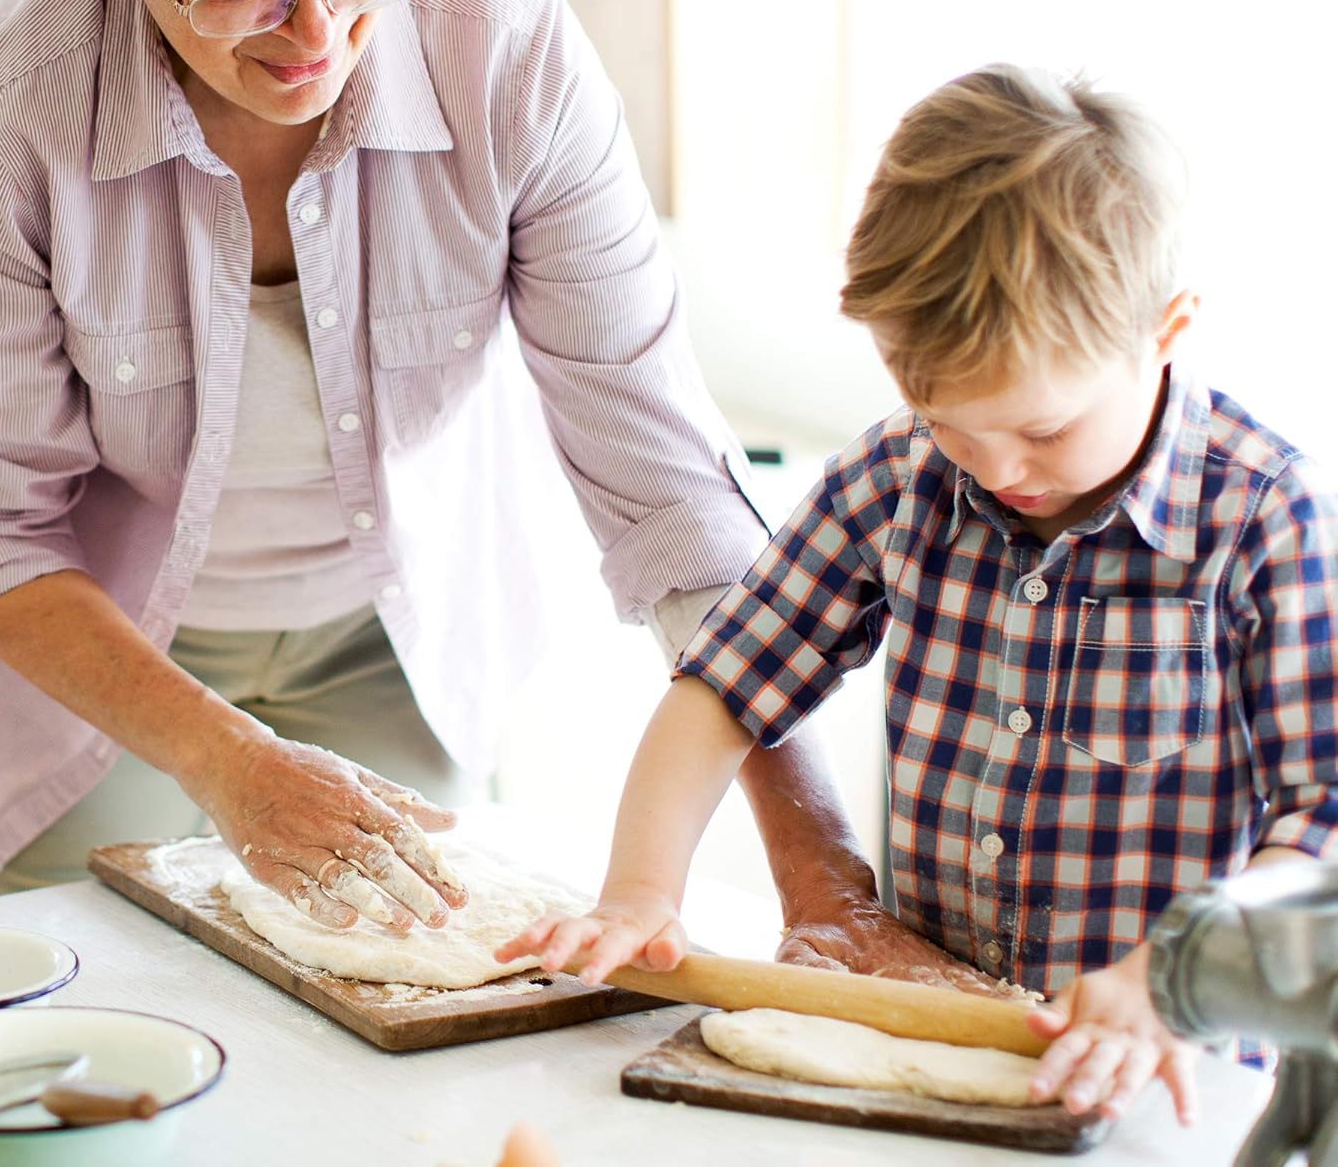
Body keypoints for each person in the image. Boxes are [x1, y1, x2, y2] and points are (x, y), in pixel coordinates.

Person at [0, 0, 940, 974]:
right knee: (119, 1021)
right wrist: (232, 767)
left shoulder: (506, 45)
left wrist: (819, 864)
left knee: (399, 1032)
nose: (320, 31)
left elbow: (665, 485)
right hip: (86, 655)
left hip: (394, 629)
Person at [500, 64, 1338, 1123]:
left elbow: (1324, 813)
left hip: (1170, 1076)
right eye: (944, 418)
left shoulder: (1264, 519)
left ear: (1166, 330)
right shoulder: (900, 476)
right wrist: (639, 889)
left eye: (1042, 429)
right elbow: (721, 690)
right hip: (934, 1030)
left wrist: (1171, 979)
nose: (996, 470)